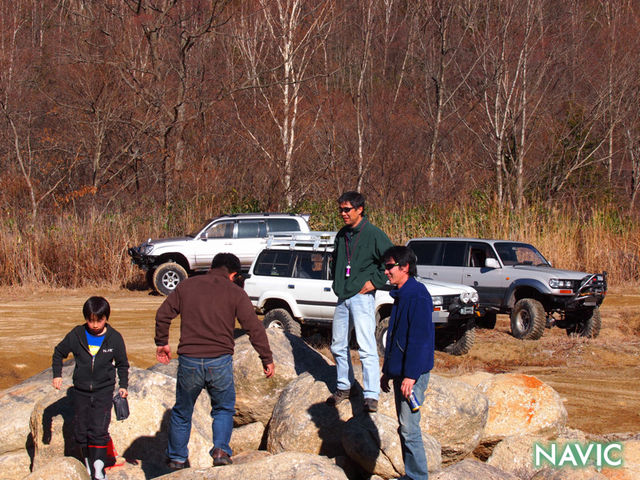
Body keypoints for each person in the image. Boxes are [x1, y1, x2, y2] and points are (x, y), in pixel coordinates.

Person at [155, 253, 275, 470]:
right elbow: (253, 327)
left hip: (189, 361)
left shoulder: (186, 286)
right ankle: (220, 450)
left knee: (182, 411)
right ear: (233, 274)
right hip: (219, 361)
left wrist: (162, 342)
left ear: (212, 266)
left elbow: (163, 314)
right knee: (222, 409)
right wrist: (266, 357)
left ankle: (177, 458)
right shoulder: (235, 292)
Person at [327, 191, 393, 412]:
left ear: (360, 209)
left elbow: (391, 260)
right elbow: (336, 260)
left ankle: (371, 394)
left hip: (362, 297)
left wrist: (375, 282)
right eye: (341, 210)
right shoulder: (342, 235)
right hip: (343, 296)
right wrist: (337, 283)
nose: (343, 214)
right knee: (337, 345)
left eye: (347, 209)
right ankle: (345, 386)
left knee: (365, 347)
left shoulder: (374, 234)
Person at [52, 296, 129, 480]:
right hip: (81, 391)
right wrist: (57, 375)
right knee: (81, 430)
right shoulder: (76, 334)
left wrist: (123, 385)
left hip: (103, 390)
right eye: (90, 320)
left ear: (106, 318)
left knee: (99, 430)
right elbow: (58, 352)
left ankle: (99, 468)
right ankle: (88, 464)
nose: (94, 325)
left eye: (99, 320)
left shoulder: (114, 338)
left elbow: (122, 364)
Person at [380, 246, 434, 480]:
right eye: (385, 267)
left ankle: (418, 477)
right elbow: (395, 339)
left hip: (413, 375)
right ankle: (412, 475)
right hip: (401, 373)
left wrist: (411, 376)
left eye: (390, 267)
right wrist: (387, 372)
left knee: (410, 428)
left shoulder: (417, 295)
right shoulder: (403, 294)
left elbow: (419, 339)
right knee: (405, 427)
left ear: (405, 267)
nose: (386, 272)